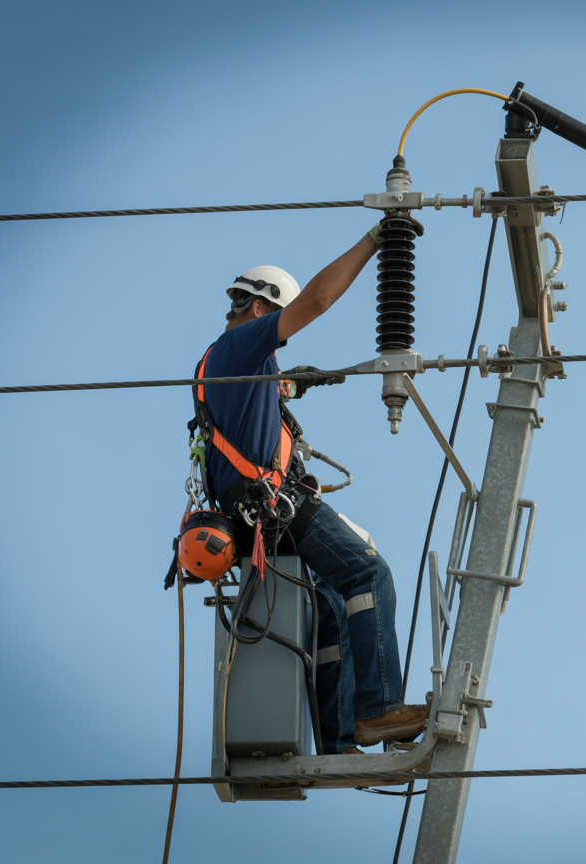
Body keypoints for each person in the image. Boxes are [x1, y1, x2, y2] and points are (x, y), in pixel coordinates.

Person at [198, 224, 427, 755]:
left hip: (250, 516)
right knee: (367, 572)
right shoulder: (239, 345)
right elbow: (319, 300)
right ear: (262, 310)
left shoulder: (228, 366)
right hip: (274, 506)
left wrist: (291, 384)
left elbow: (258, 401)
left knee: (328, 608)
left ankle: (339, 737)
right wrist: (377, 238)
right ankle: (379, 709)